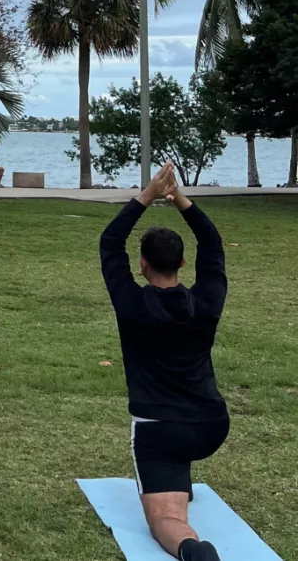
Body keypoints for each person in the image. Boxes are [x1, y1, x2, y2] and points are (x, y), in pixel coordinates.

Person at [99, 162, 229, 561]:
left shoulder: (133, 303)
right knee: (178, 460)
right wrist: (181, 201)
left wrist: (147, 195)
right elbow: (213, 245)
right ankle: (179, 479)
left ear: (142, 265)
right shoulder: (205, 303)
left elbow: (110, 242)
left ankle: (195, 552)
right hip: (211, 425)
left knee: (166, 520)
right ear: (182, 265)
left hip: (161, 431)